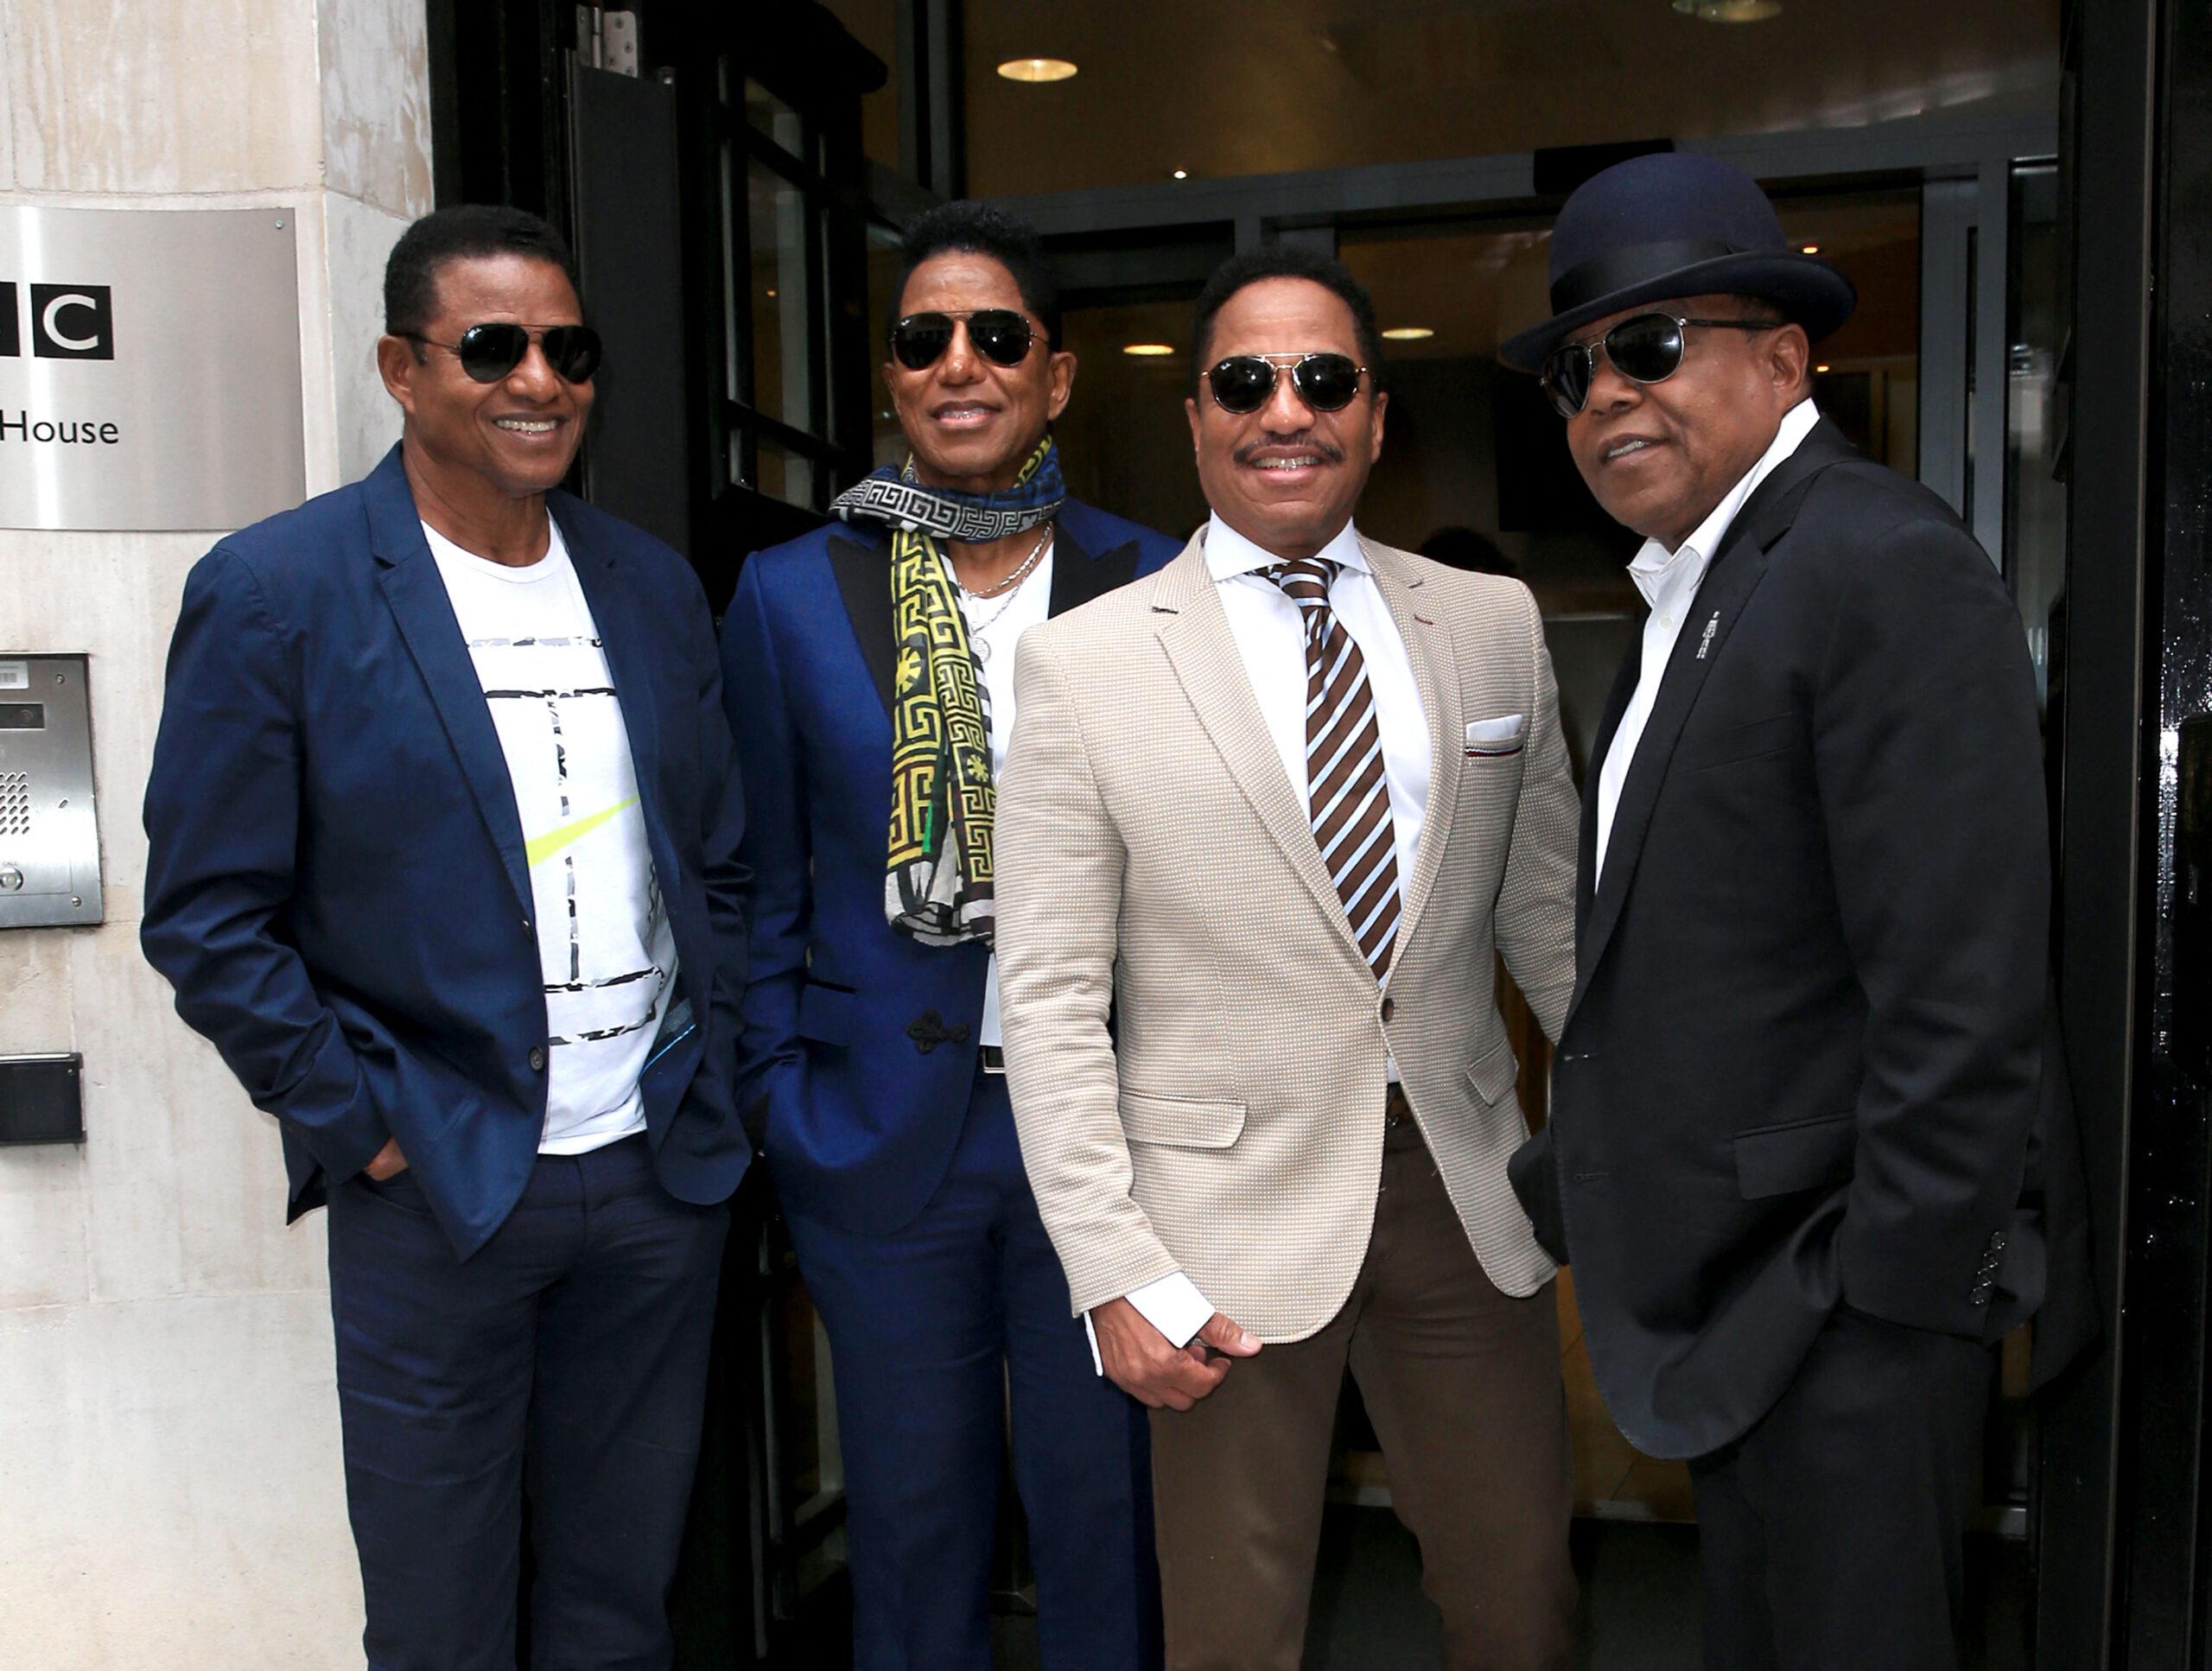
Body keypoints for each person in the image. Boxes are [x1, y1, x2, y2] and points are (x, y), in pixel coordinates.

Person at [1498, 151, 2087, 1669]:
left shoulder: (1878, 564)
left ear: (1782, 358)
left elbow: (1965, 991)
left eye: (1650, 346)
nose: (1606, 397)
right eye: (1576, 371)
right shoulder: (1698, 594)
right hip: (1742, 1308)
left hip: (1843, 1312)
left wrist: (1887, 1306)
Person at [140, 204, 750, 1669]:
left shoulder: (650, 584)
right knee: (441, 1617)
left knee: (616, 1604)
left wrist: (711, 1064)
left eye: (566, 346)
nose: (539, 378)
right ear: (401, 370)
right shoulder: (279, 590)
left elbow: (712, 860)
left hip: (654, 1181)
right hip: (442, 1189)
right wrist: (368, 1124)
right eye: (493, 346)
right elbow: (208, 917)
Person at [994, 245, 1582, 1671]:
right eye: (1245, 381)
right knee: (1233, 1639)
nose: (1286, 411)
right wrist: (1111, 1266)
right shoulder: (1087, 664)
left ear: (1377, 415)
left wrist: (1649, 1148)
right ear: (1195, 412)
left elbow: (1552, 928)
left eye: (1324, 379)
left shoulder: (1492, 629)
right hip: (1218, 1223)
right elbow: (1052, 996)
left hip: (1465, 1188)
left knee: (1525, 1613)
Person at [721, 200, 1179, 1671]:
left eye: (997, 335)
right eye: (926, 339)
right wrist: (784, 1099)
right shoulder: (792, 595)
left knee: (1109, 1520)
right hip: (882, 1138)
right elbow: (753, 875)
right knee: (914, 1542)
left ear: (1055, 377)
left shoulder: (1157, 581)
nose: (959, 363)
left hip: (1107, 1144)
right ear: (896, 379)